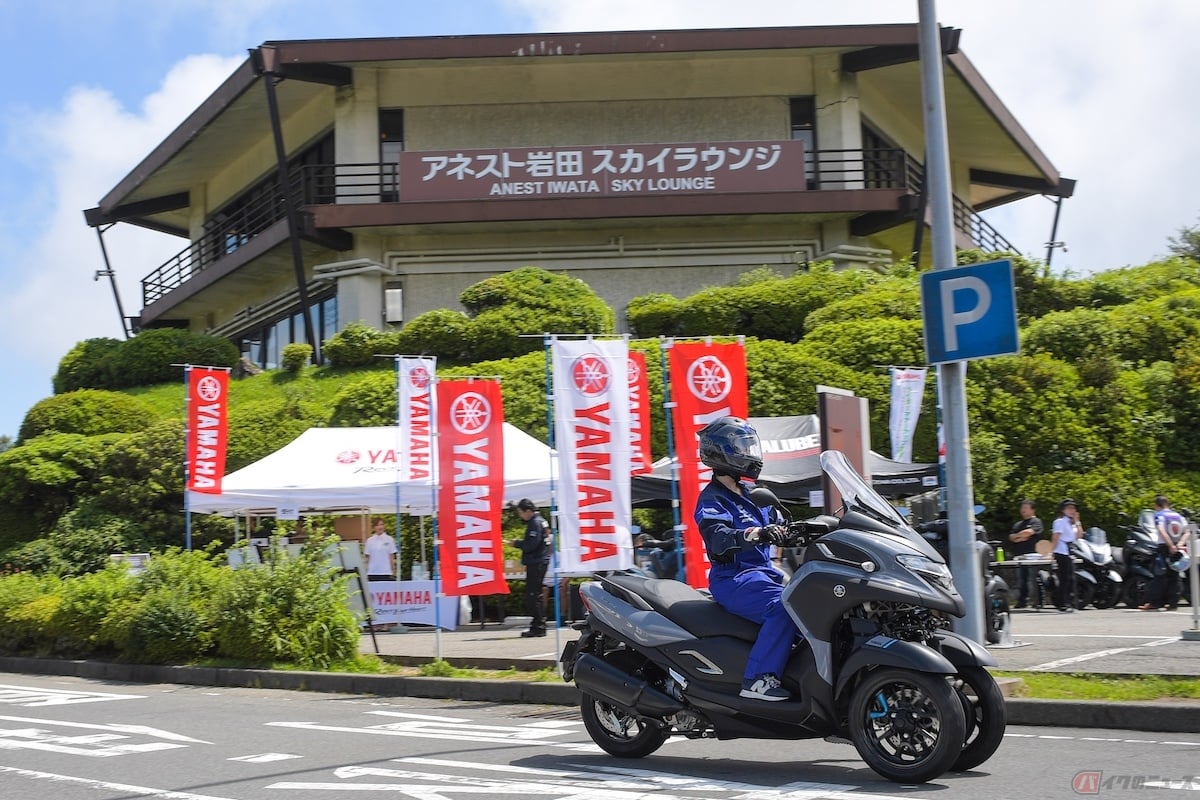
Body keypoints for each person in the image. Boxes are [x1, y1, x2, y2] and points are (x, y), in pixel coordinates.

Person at [693, 416, 797, 702]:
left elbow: (781, 524)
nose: (749, 453)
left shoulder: (754, 494)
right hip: (734, 579)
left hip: (766, 574)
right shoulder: (713, 499)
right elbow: (718, 537)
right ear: (721, 452)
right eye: (742, 447)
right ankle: (758, 680)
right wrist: (754, 534)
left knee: (814, 602)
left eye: (750, 446)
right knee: (786, 608)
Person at [510, 498, 552, 638]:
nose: (521, 516)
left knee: (533, 595)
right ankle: (539, 624)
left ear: (528, 511)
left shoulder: (535, 522)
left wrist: (517, 543)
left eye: (521, 513)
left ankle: (538, 626)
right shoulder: (541, 521)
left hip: (536, 562)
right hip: (541, 560)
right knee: (536, 594)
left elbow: (531, 545)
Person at [1141, 495, 1186, 611]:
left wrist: (1170, 545)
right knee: (1174, 575)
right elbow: (1187, 531)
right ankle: (1172, 603)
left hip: (1165, 547)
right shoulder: (1178, 516)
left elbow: (1161, 530)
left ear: (1157, 505)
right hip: (1177, 546)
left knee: (1159, 574)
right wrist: (1180, 543)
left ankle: (1155, 603)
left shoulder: (1159, 515)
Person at [363, 517, 399, 632]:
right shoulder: (370, 541)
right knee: (374, 599)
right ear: (374, 527)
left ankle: (386, 623)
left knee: (385, 599)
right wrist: (365, 570)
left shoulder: (389, 539)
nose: (380, 527)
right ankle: (375, 623)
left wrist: (393, 570)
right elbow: (367, 557)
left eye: (382, 524)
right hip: (372, 572)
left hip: (385, 572)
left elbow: (391, 556)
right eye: (378, 525)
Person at [1007, 499, 1045, 609]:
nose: (1023, 510)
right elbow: (1011, 537)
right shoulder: (1018, 524)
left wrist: (1020, 536)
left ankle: (1037, 601)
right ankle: (1022, 601)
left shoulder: (1036, 522)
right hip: (1020, 556)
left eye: (1025, 508)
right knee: (1021, 580)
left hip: (1033, 556)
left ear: (1032, 510)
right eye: (1022, 508)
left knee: (1033, 579)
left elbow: (1029, 532)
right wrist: (1020, 536)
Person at [1051, 499, 1081, 612]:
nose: (1072, 511)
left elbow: (1079, 536)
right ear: (1063, 510)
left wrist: (1077, 521)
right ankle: (1062, 603)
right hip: (1061, 551)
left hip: (1070, 551)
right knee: (1064, 578)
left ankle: (1070, 602)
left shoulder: (1072, 524)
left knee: (1071, 579)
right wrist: (1051, 551)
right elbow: (1056, 537)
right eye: (1069, 508)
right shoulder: (1059, 521)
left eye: (1073, 508)